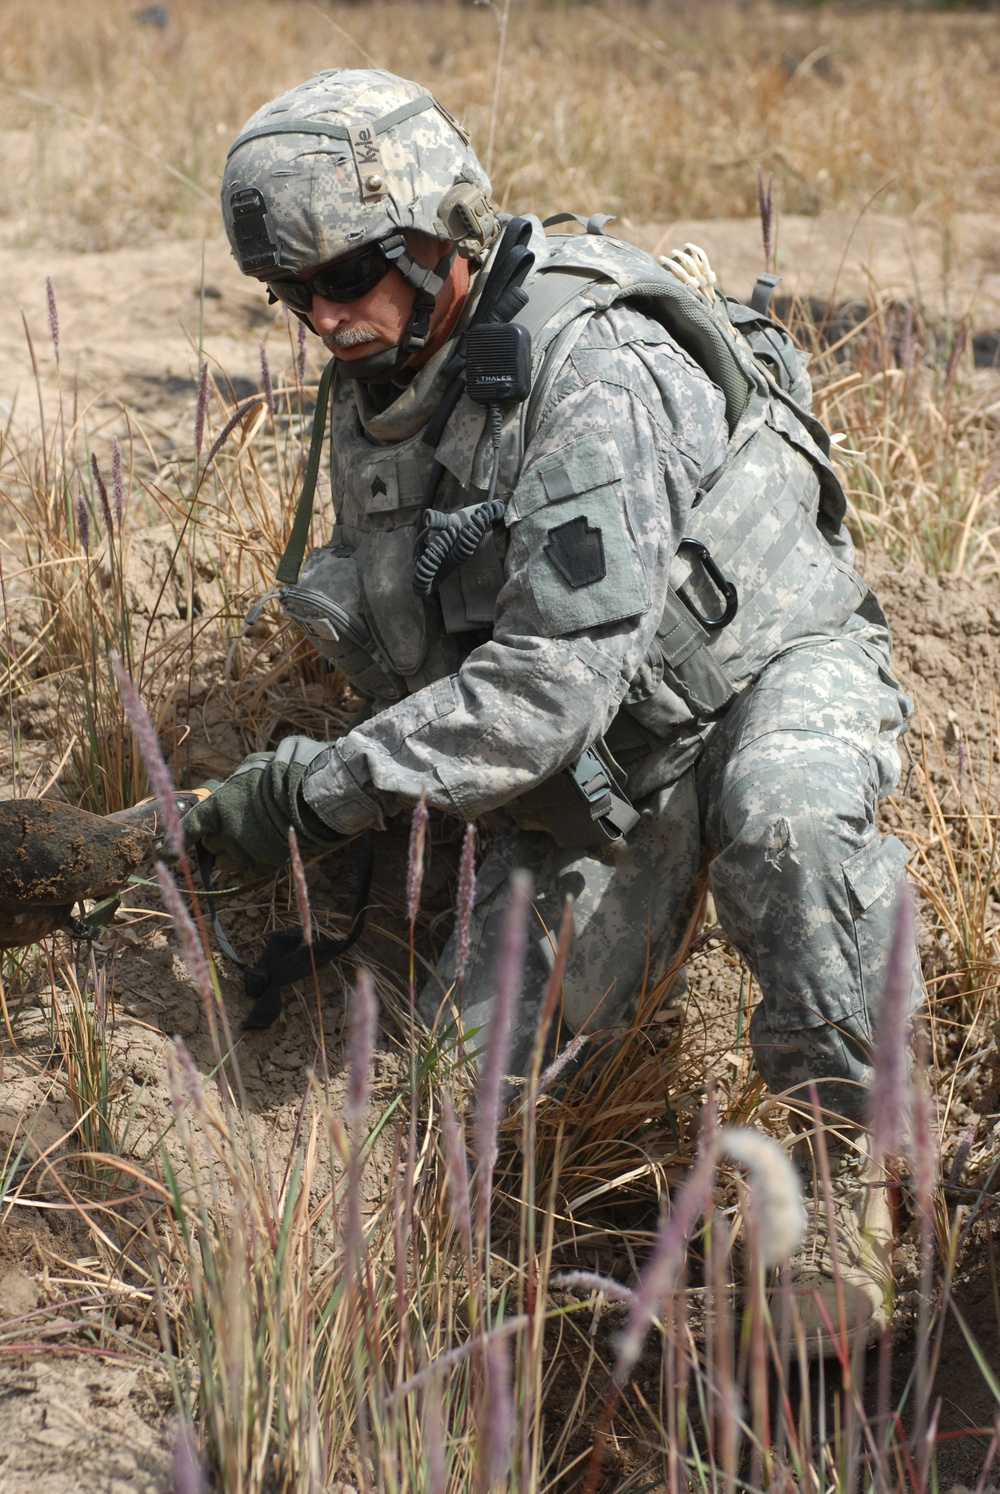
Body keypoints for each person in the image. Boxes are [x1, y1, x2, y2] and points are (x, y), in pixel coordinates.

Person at [183, 67, 923, 1355]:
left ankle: (851, 1162)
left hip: (763, 671)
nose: (324, 317)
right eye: (290, 292)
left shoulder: (593, 377)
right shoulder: (390, 378)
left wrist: (317, 792)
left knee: (784, 833)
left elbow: (541, 690)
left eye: (349, 273)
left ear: (433, 236)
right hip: (598, 755)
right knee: (459, 1087)